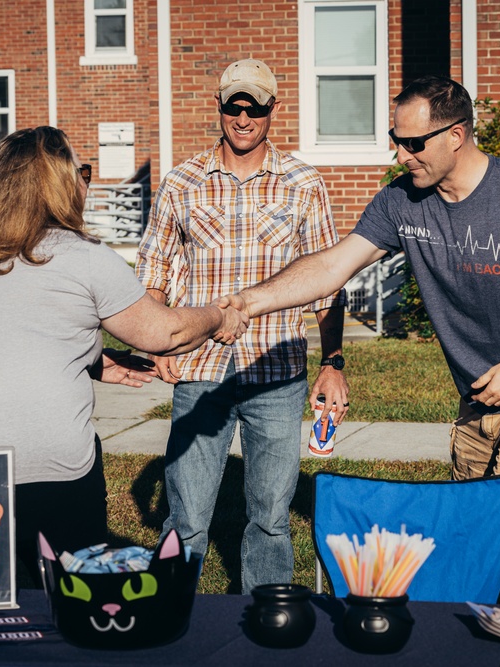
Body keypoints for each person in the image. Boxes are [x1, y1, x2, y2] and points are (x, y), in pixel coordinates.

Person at [223, 75, 500, 604]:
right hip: (480, 391)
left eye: (414, 143)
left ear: (456, 136)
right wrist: (249, 301)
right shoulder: (402, 204)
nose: (402, 154)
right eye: (396, 139)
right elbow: (331, 267)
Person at [0, 126, 248, 582]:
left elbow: (9, 336)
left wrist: (94, 361)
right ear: (61, 184)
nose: (86, 181)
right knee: (64, 611)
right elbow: (165, 334)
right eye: (80, 171)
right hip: (42, 465)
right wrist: (218, 316)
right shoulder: (82, 256)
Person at [135, 59, 348, 595]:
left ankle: (267, 621)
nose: (244, 117)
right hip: (201, 369)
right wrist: (156, 337)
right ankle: (169, 614)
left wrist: (334, 363)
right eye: (235, 105)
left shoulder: (304, 183)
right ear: (220, 107)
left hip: (277, 371)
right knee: (185, 518)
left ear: (274, 109)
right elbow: (155, 271)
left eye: (255, 106)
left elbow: (327, 281)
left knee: (272, 518)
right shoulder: (183, 181)